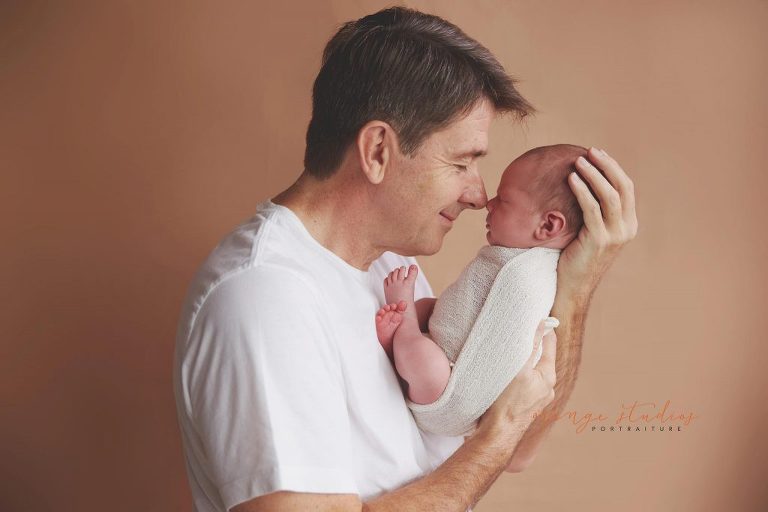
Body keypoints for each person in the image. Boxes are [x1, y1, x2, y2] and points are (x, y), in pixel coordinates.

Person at [172, 7, 637, 512]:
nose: (479, 196)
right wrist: (494, 439)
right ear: (377, 150)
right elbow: (501, 438)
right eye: (460, 162)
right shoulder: (266, 298)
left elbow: (519, 445)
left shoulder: (390, 268)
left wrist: (574, 286)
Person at [374, 145, 587, 437]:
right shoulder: (514, 257)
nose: (489, 203)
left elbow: (506, 350)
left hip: (449, 398)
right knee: (428, 306)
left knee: (428, 361)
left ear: (548, 225)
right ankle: (401, 339)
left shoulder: (529, 277)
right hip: (447, 346)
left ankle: (405, 328)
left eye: (505, 200)